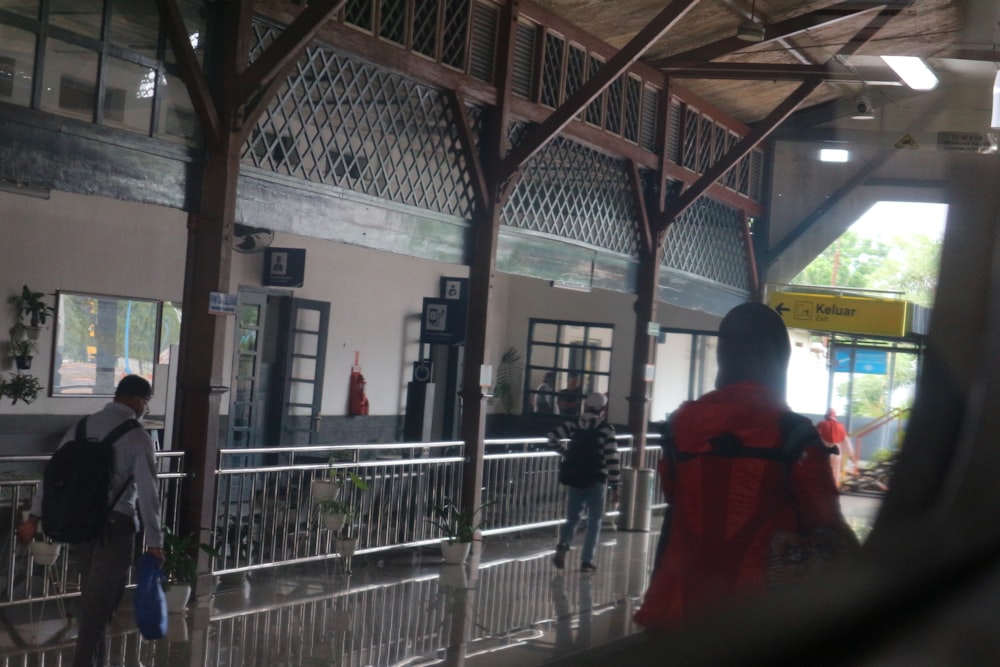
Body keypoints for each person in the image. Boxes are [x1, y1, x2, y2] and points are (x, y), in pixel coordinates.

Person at [634, 303, 855, 631]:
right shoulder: (792, 431)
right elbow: (824, 518)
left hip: (680, 602)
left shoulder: (682, 423)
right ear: (780, 359)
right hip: (761, 611)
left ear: (724, 354)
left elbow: (675, 495)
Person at [17, 375, 164, 667]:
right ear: (137, 400)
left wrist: (34, 517)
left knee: (94, 602)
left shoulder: (80, 428)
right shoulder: (137, 436)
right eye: (146, 401)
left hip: (81, 525)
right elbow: (148, 493)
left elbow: (52, 476)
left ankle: (96, 660)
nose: (145, 407)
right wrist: (155, 542)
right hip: (116, 526)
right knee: (99, 606)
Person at [549, 391, 620, 572]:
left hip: (575, 476)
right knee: (594, 521)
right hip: (597, 479)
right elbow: (612, 457)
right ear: (602, 409)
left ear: (586, 406)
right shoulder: (606, 429)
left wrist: (566, 453)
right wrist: (615, 485)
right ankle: (586, 561)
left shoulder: (574, 424)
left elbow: (552, 437)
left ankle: (563, 545)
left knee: (572, 518)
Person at [817, 407, 854, 489]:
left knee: (822, 472)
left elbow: (814, 439)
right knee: (835, 472)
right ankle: (833, 489)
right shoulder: (841, 427)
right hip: (837, 454)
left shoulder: (821, 424)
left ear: (826, 415)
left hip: (823, 453)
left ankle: (822, 489)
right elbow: (846, 442)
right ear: (835, 416)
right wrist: (851, 455)